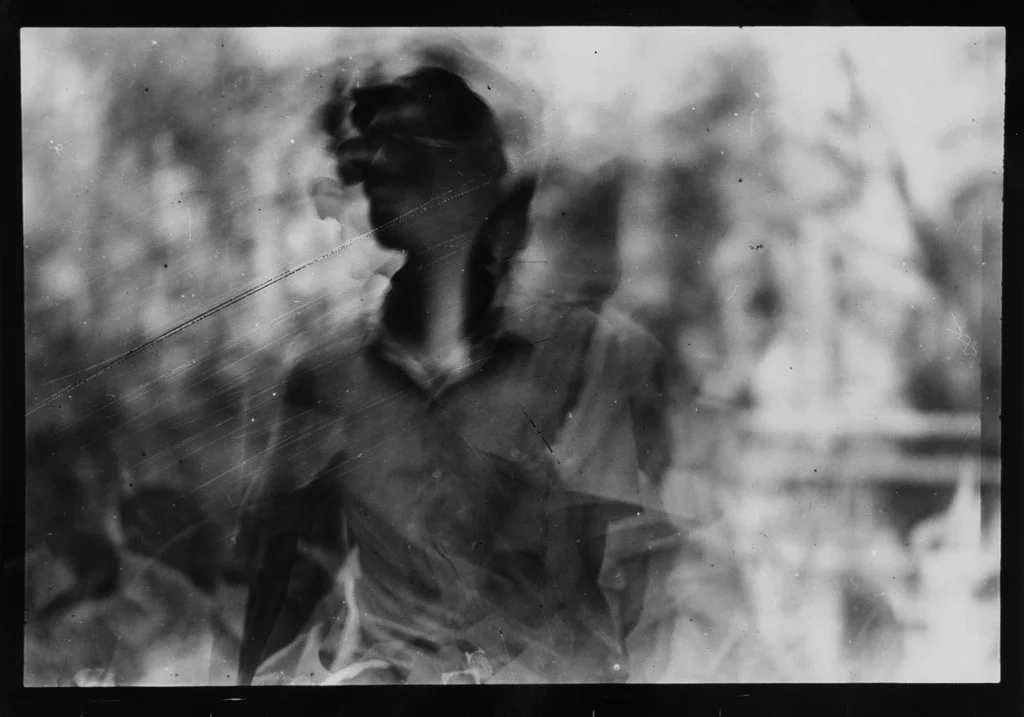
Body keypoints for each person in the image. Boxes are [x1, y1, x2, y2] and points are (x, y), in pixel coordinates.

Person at [235, 63, 678, 686]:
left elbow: (630, 579)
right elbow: (279, 587)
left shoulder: (577, 356)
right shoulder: (327, 377)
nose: (381, 169)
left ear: (480, 182)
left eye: (414, 150)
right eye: (374, 152)